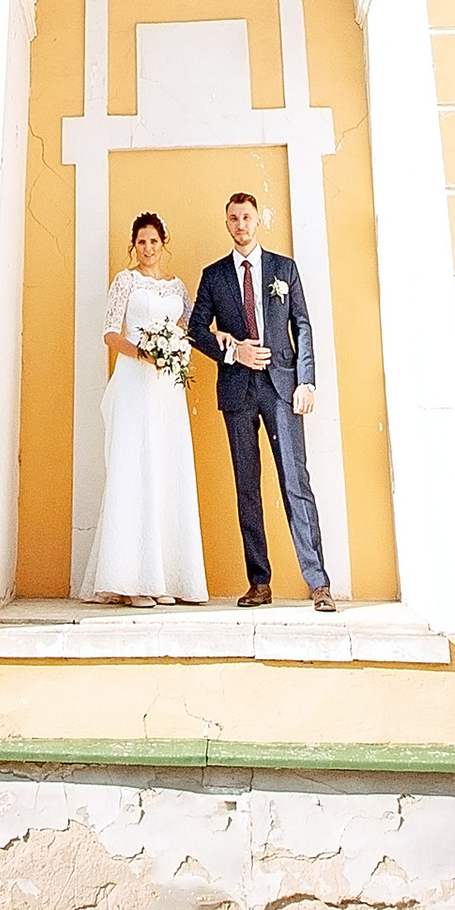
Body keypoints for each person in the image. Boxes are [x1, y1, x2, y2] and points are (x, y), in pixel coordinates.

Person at [188, 189, 336, 612]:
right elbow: (197, 329)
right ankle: (259, 582)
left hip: (282, 389)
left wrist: (306, 382)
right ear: (226, 222)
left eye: (247, 217)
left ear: (258, 220)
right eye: (233, 218)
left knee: (296, 482)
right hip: (237, 390)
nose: (241, 225)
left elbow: (302, 325)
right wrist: (235, 351)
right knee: (247, 488)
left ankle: (318, 584)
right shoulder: (214, 275)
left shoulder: (283, 269)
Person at [83, 211, 209, 604]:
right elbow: (108, 333)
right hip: (136, 383)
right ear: (133, 246)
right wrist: (143, 353)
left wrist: (179, 347)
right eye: (141, 242)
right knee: (135, 466)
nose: (148, 249)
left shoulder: (177, 289)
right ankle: (130, 581)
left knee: (166, 467)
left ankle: (165, 578)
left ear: (163, 242)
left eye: (154, 241)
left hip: (167, 389)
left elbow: (192, 328)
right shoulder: (125, 281)